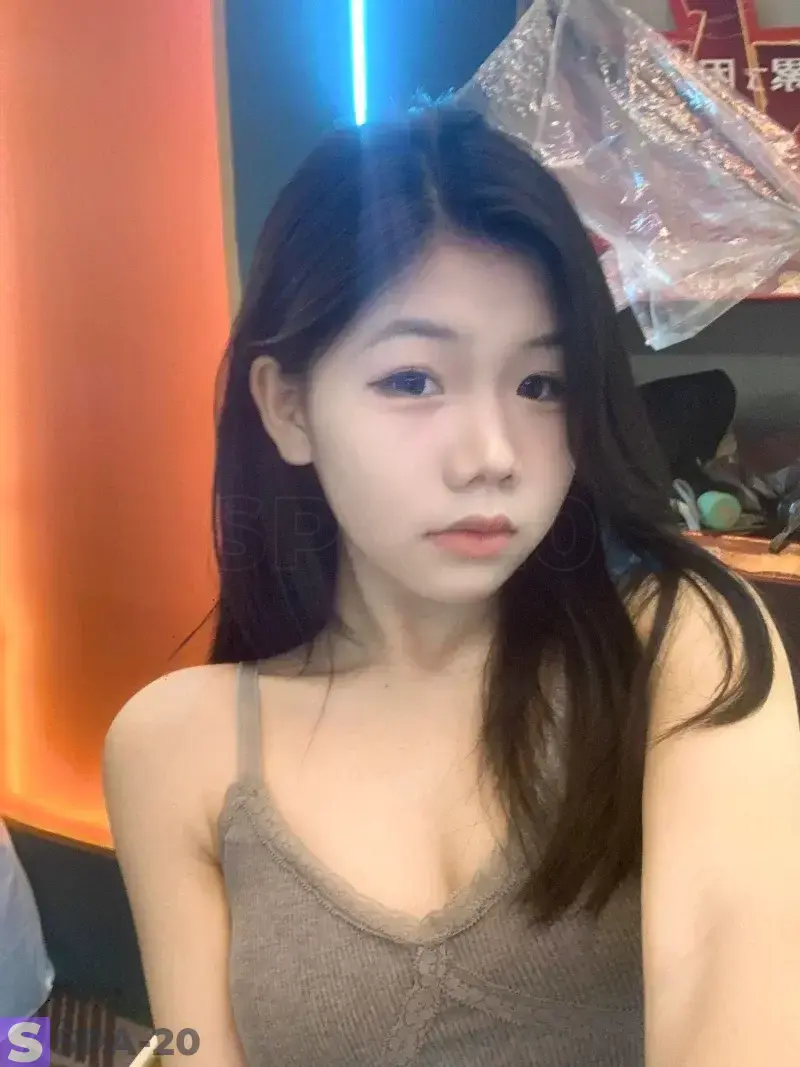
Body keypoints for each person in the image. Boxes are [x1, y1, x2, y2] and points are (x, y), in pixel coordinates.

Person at [102, 105, 800, 1067]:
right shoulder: (176, 746)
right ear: (289, 408)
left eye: (541, 385)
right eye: (413, 380)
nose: (492, 455)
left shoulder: (675, 648)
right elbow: (188, 1050)